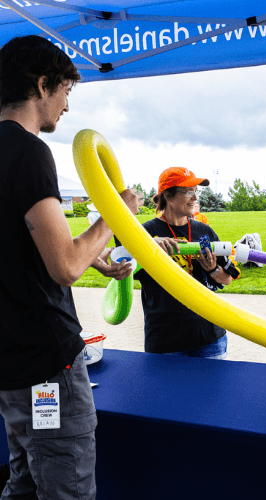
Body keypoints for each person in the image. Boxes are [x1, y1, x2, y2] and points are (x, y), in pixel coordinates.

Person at [0, 35, 142, 499]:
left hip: (11, 365)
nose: (66, 106)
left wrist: (91, 255)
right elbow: (64, 267)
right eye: (65, 91)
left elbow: (24, 247)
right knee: (65, 489)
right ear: (42, 85)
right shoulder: (28, 151)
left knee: (22, 484)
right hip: (48, 361)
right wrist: (116, 213)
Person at [132, 167, 240, 358]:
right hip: (166, 341)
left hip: (209, 337)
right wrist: (147, 247)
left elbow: (226, 280)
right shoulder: (145, 233)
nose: (195, 198)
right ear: (168, 195)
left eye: (196, 192)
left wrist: (212, 269)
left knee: (212, 389)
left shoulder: (203, 231)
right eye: (189, 192)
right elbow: (123, 269)